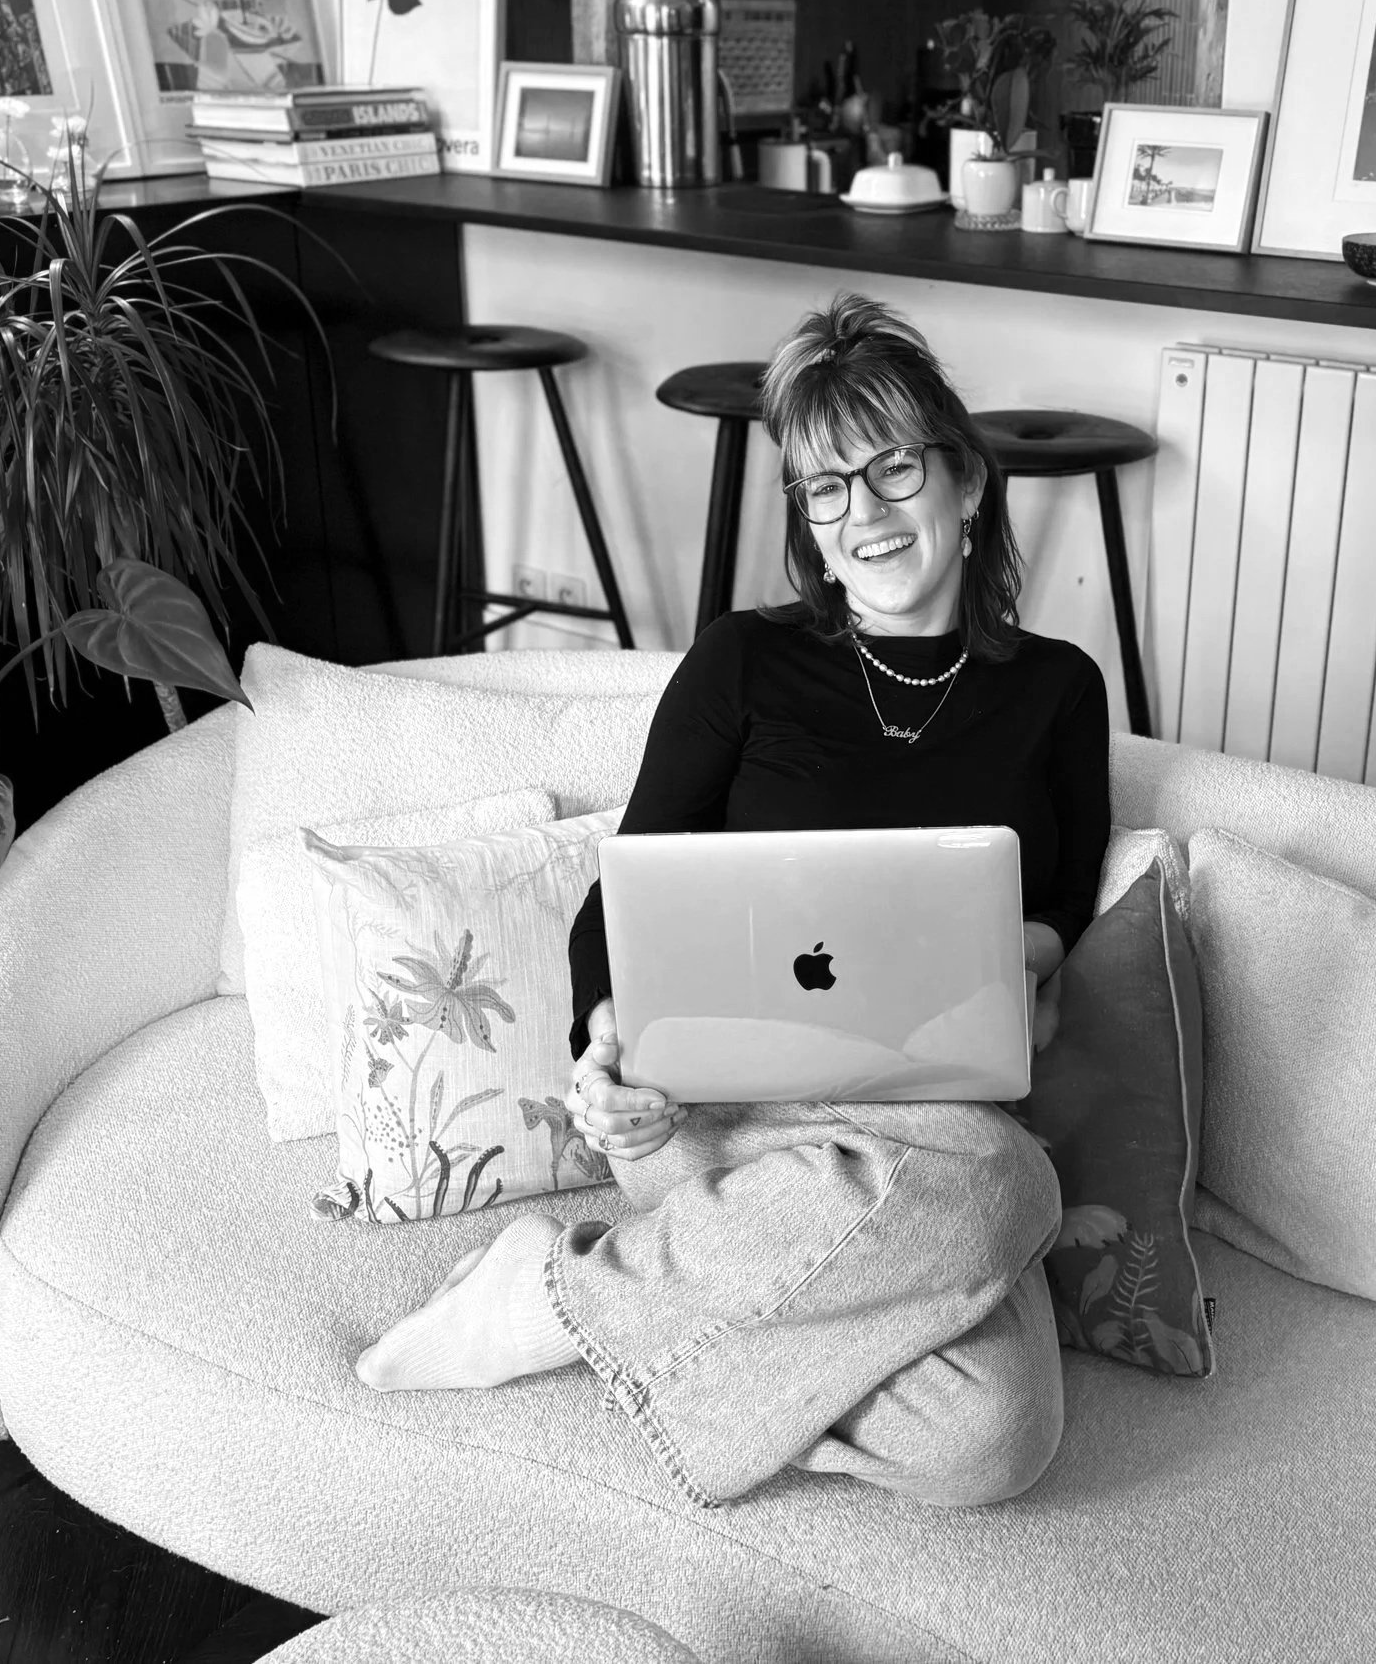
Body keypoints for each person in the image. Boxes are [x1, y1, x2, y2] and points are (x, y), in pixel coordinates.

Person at [356, 292, 1110, 1510]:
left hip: (933, 1133)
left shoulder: (1059, 693)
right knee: (1010, 1194)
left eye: (891, 470)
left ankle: (566, 1299)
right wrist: (605, 1042)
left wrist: (1000, 960)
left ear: (966, 483)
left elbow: (1058, 913)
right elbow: (629, 894)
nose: (861, 514)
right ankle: (689, 1298)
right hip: (726, 1127)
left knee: (993, 1436)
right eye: (824, 488)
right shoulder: (743, 663)